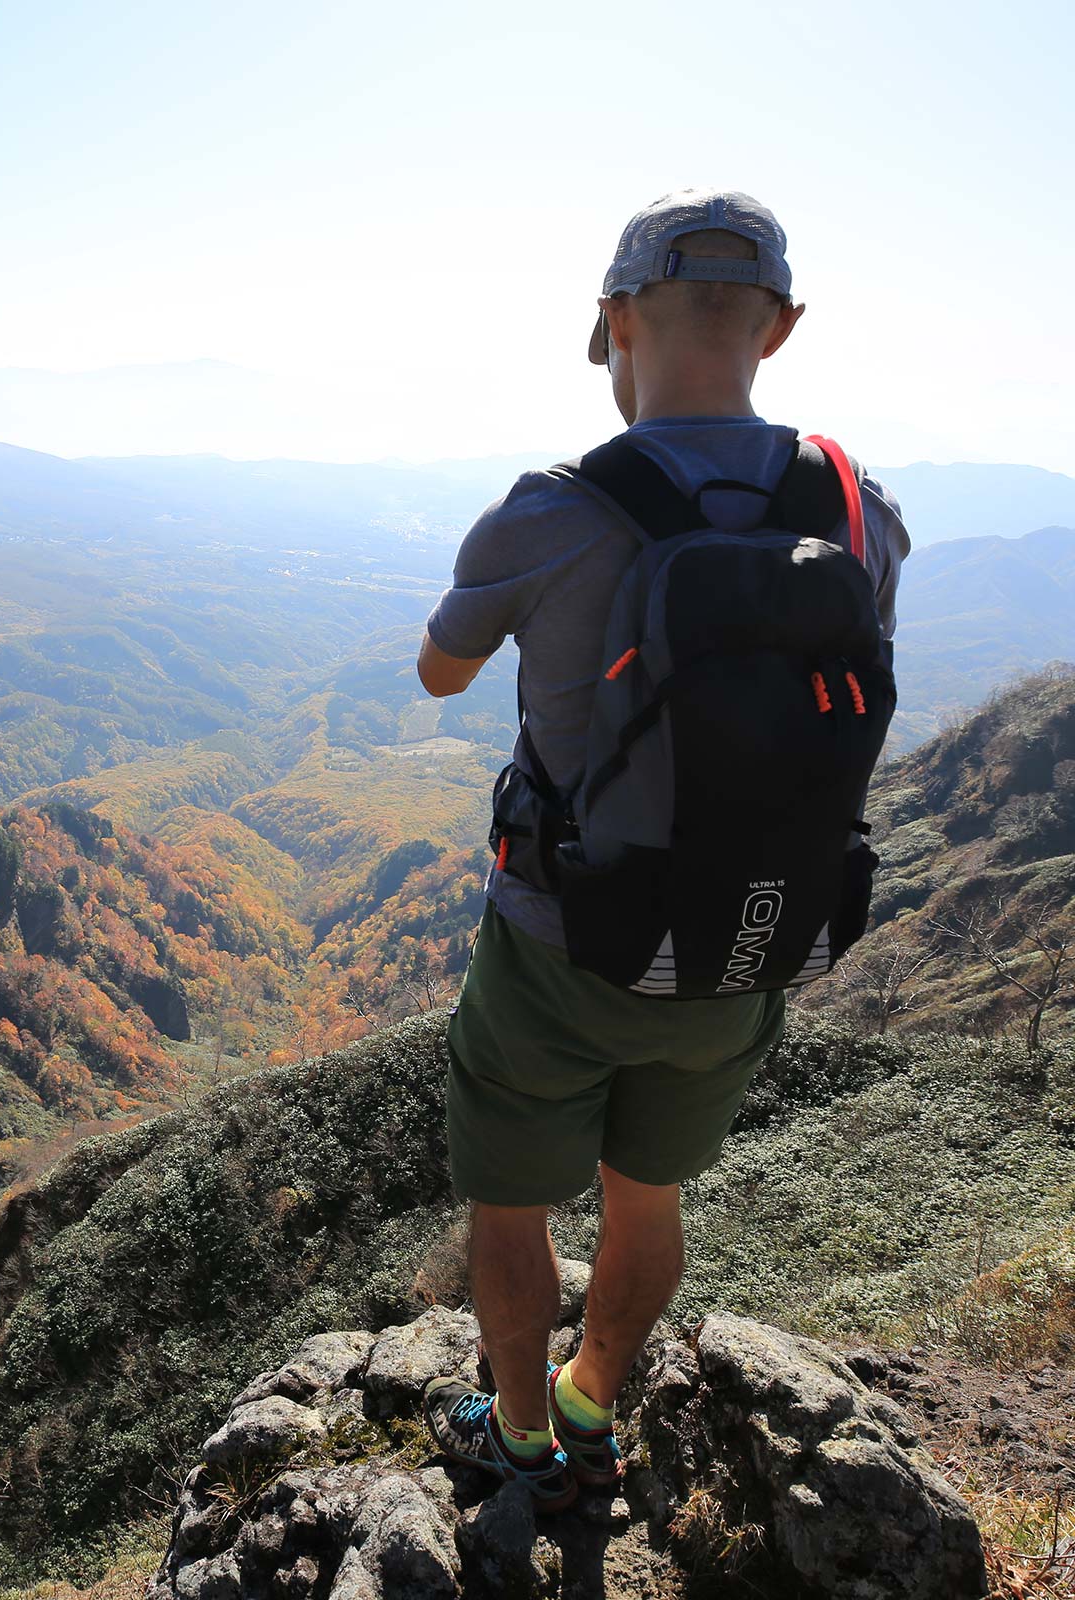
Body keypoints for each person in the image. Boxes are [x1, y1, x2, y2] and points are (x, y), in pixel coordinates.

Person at [414, 189, 909, 1509]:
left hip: (559, 946)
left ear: (617, 319)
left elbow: (439, 676)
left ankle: (521, 1435)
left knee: (511, 1210)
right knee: (649, 1206)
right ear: (779, 328)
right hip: (746, 945)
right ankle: (590, 1399)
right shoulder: (863, 515)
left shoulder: (558, 511)